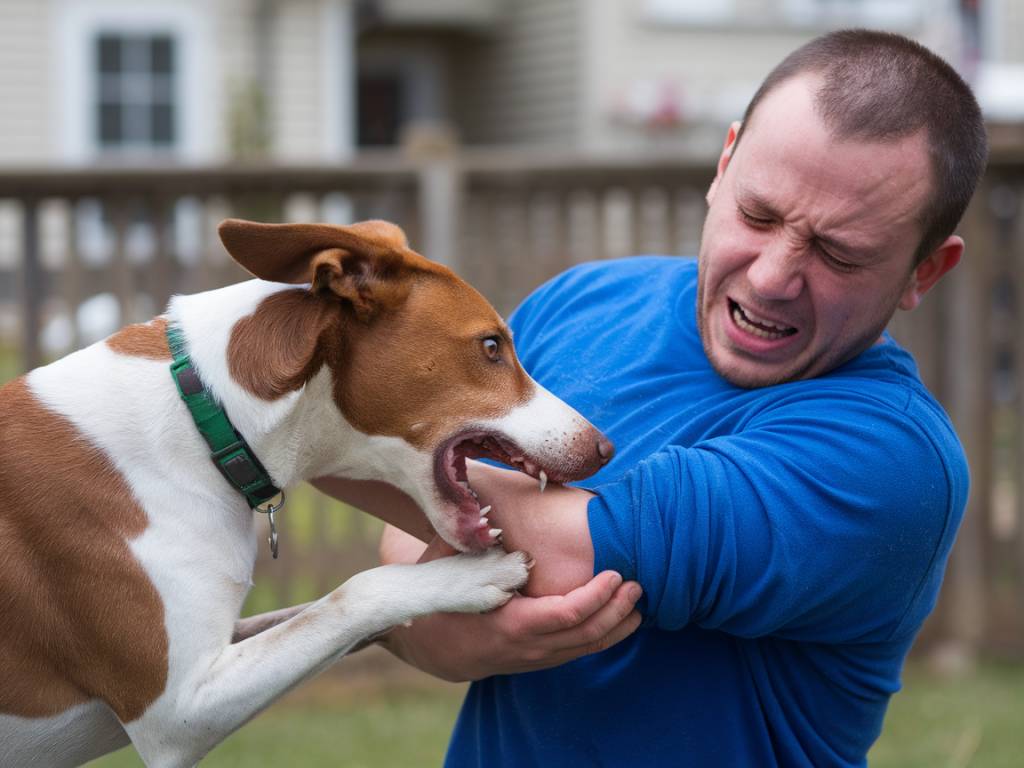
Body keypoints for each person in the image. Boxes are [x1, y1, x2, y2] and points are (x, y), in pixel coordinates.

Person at [315, 29, 987, 767]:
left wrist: (287, 418)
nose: (771, 277)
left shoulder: (891, 460)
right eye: (758, 214)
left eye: (838, 254)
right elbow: (410, 537)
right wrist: (441, 635)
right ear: (724, 164)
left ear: (926, 271)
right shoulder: (587, 302)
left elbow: (564, 550)